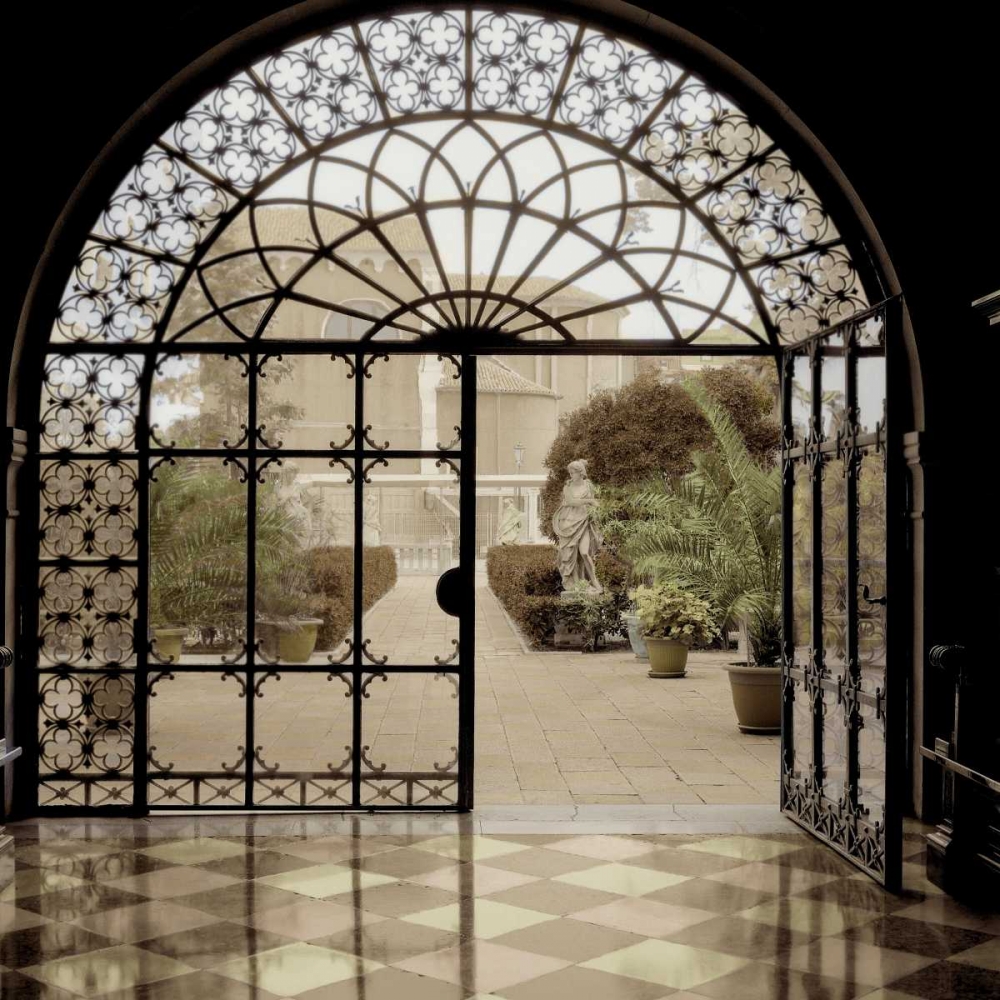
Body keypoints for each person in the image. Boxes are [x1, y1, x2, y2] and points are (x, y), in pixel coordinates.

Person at [552, 459, 603, 593]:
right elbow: (571, 501)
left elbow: (594, 507)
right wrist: (590, 501)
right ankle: (577, 584)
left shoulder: (588, 485)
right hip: (569, 523)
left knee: (585, 552)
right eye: (570, 473)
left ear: (580, 473)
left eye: (573, 472)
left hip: (584, 522)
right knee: (571, 555)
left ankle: (594, 581)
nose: (570, 475)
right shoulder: (567, 487)